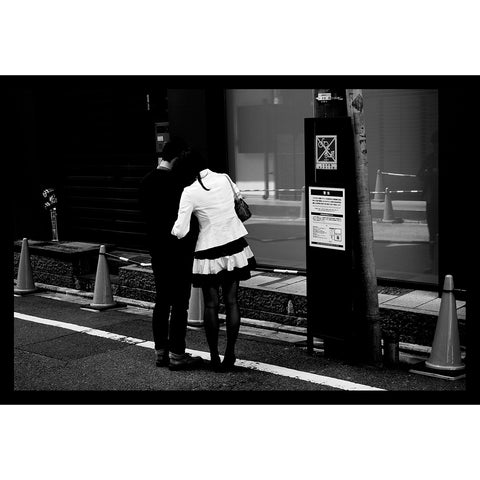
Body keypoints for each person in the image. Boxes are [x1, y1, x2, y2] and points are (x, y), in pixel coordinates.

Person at [171, 151, 256, 371]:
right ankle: (230, 352)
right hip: (235, 245)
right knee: (232, 301)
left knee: (211, 304)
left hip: (208, 249)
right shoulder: (224, 178)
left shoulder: (189, 191)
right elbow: (239, 199)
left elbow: (181, 230)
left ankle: (214, 356)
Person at [138, 139, 203, 371]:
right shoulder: (178, 183)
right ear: (176, 159)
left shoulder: (145, 182)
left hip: (157, 250)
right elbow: (188, 220)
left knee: (162, 301)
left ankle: (160, 353)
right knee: (180, 304)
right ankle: (177, 354)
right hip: (179, 251)